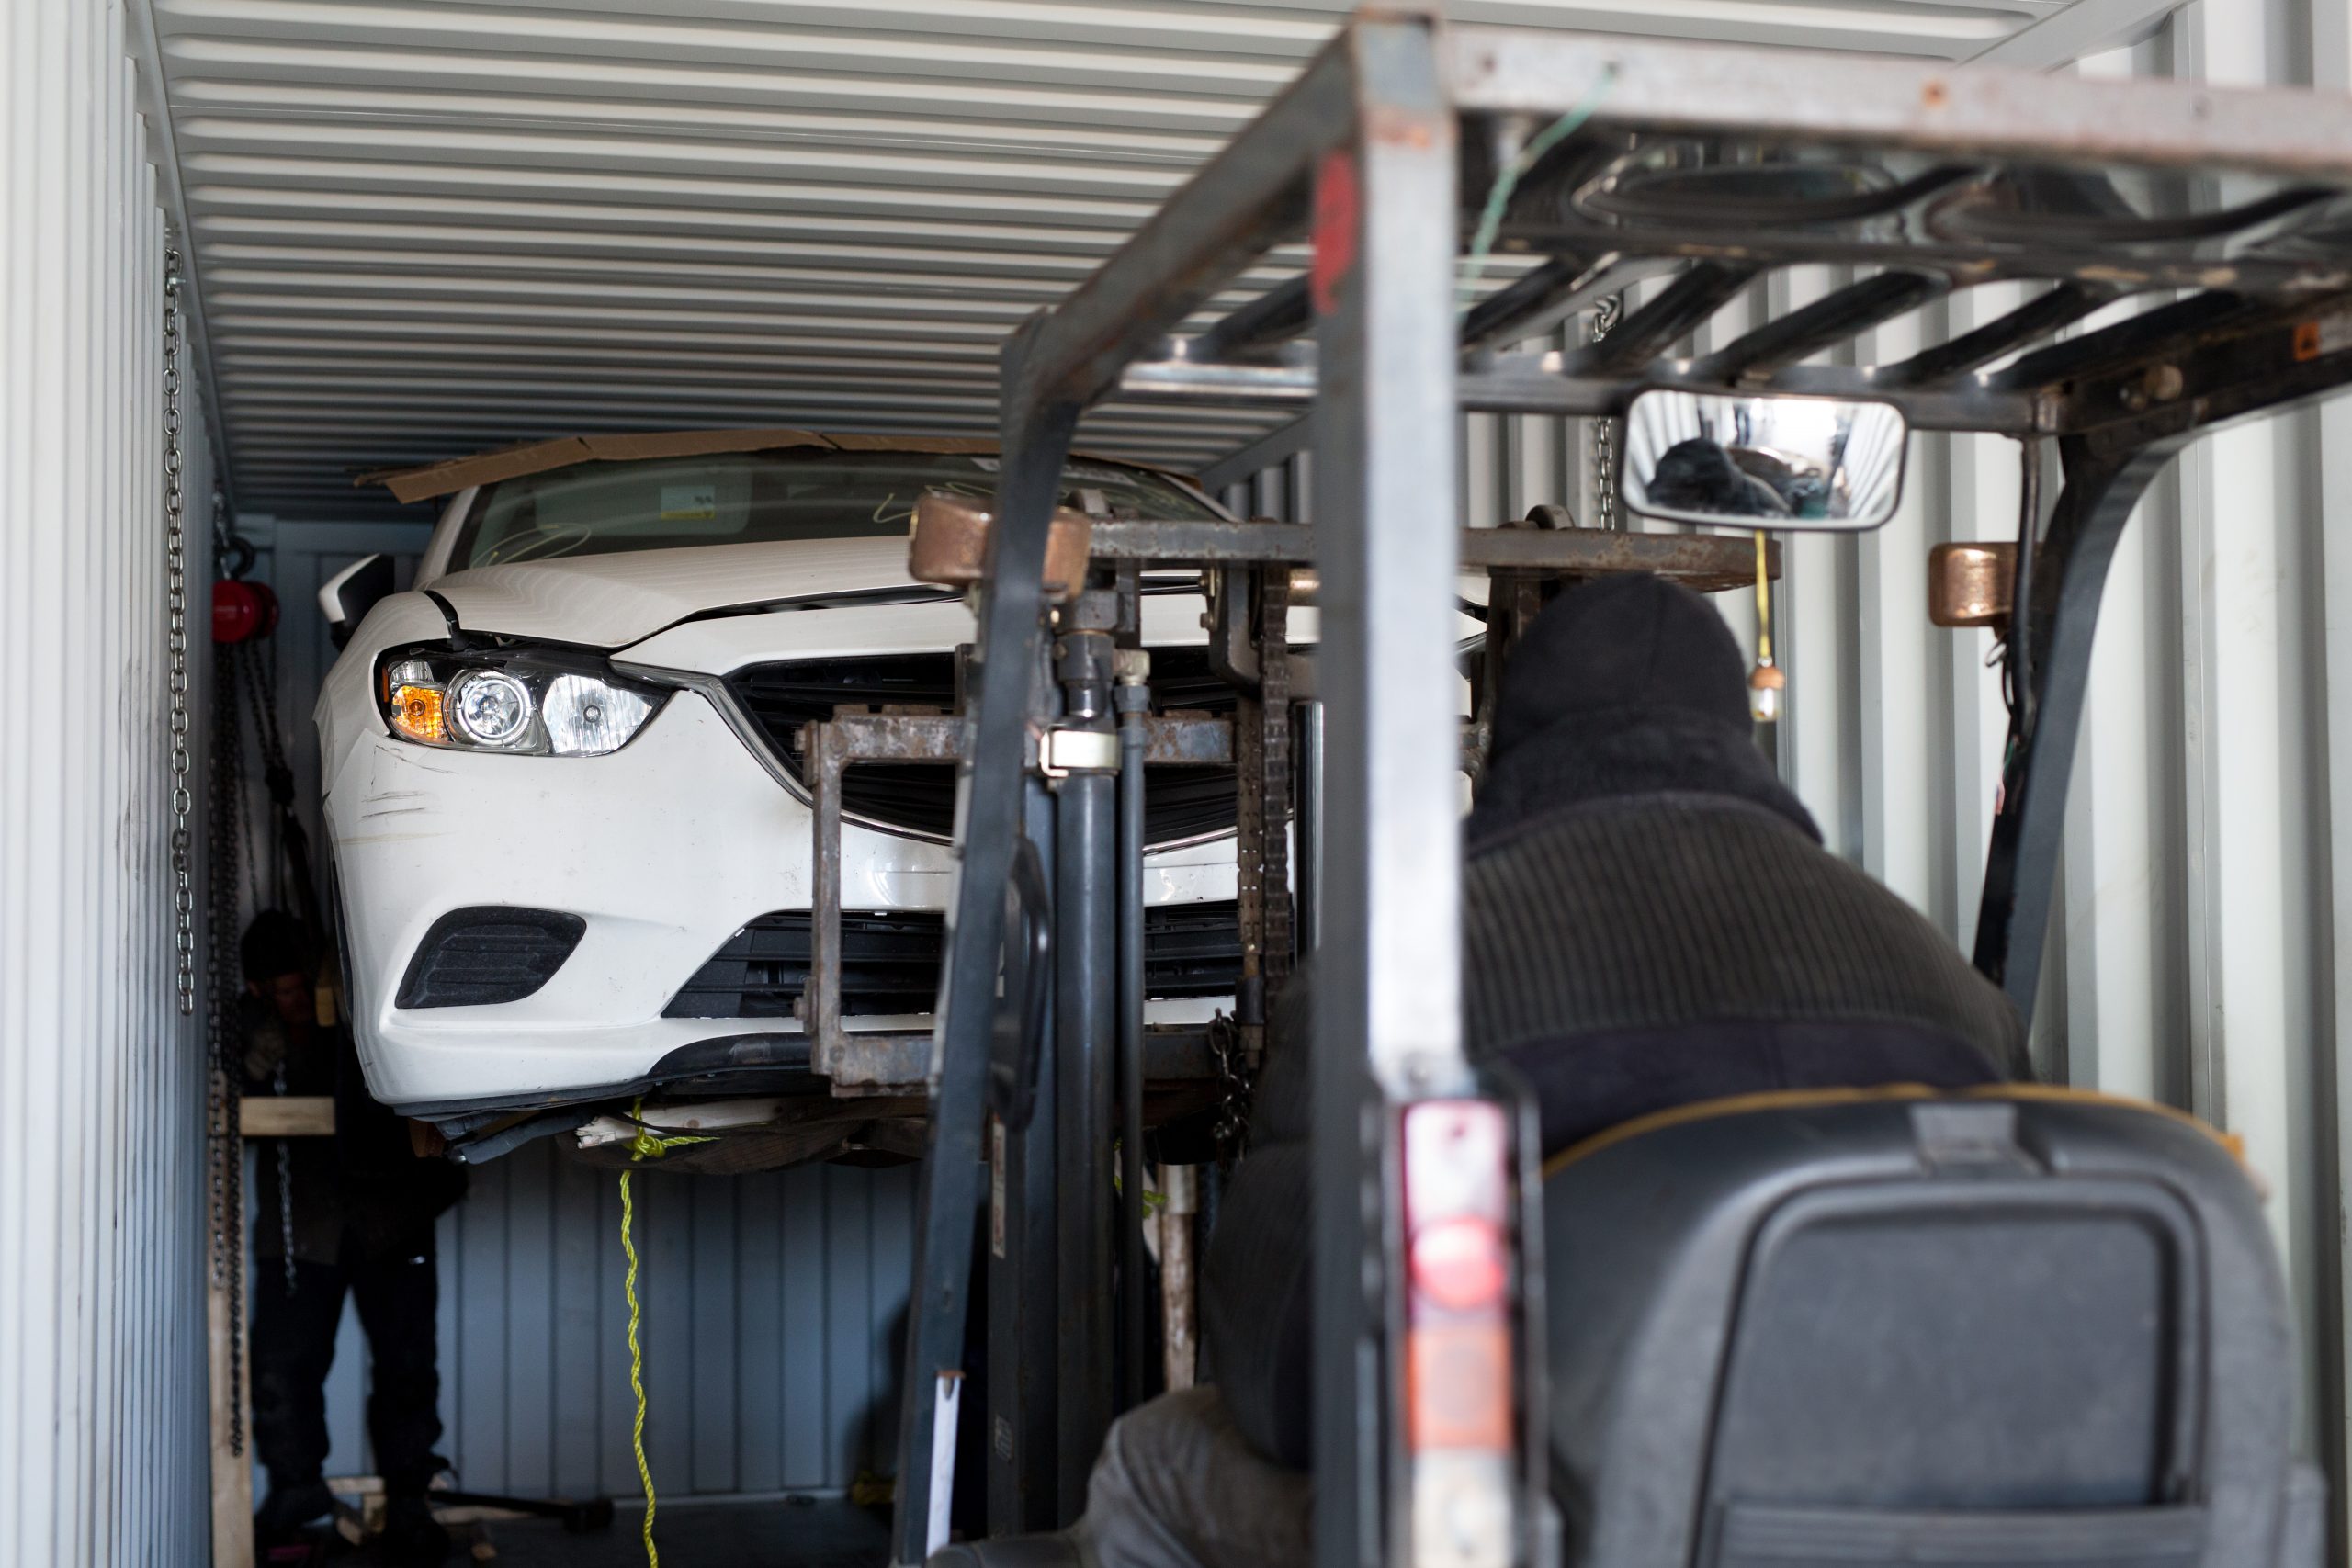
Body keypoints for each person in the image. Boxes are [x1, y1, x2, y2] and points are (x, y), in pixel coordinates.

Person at [1194, 571, 2028, 1482]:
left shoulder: (1398, 973)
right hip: (1890, 1485)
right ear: (1735, 736)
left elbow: (1273, 1363)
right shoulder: (1941, 978)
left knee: (1150, 1463)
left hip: (1537, 1508)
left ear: (1508, 740)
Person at [242, 911, 469, 1564]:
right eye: (275, 991)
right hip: (301, 1229)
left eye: (296, 987)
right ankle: (296, 1491)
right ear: (258, 990)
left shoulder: (363, 1013)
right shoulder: (255, 1029)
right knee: (284, 1367)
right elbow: (235, 1075)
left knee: (406, 1367)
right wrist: (258, 1047)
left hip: (391, 1219)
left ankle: (407, 1501)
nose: (290, 1001)